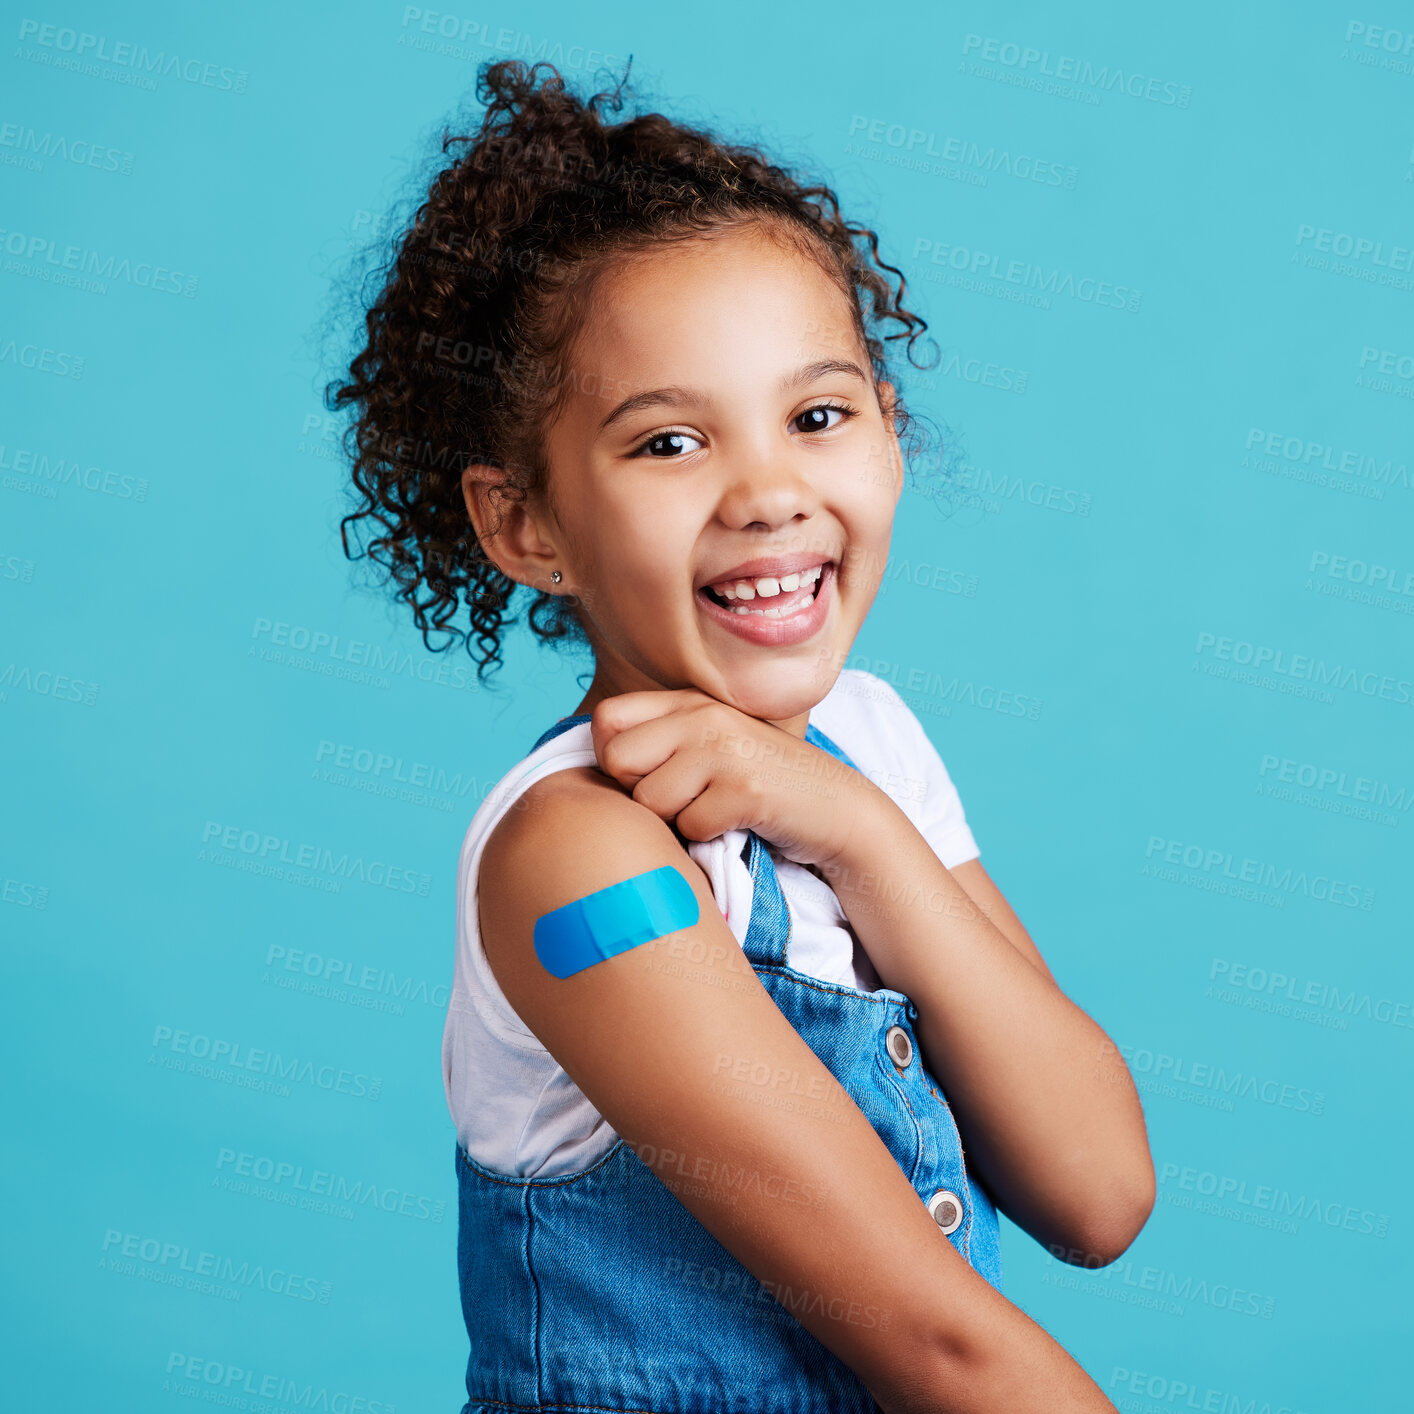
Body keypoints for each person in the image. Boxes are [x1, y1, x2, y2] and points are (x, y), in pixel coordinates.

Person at [328, 56, 1154, 1414]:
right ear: (525, 525)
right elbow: (934, 1343)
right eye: (667, 444)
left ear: (889, 432)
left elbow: (1097, 1184)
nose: (767, 492)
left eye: (816, 415)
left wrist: (859, 831)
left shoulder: (872, 749)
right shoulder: (578, 861)